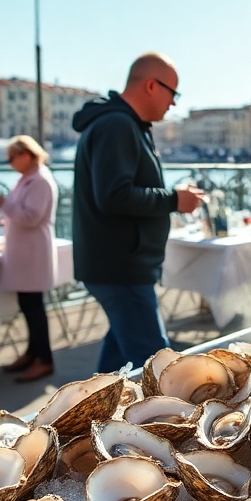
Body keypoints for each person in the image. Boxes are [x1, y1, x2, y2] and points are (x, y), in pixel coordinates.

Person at [72, 53, 206, 373]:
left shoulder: (124, 123)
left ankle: (93, 405)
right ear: (151, 85)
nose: (174, 102)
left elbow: (120, 190)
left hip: (120, 265)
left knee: (119, 365)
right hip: (121, 268)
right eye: (173, 92)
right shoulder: (117, 124)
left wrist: (173, 197)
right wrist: (174, 200)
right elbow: (114, 196)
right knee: (157, 367)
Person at [0, 135, 58, 383]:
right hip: (26, 252)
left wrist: (3, 204)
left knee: (34, 307)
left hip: (32, 253)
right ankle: (33, 353)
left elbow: (31, 217)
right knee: (29, 306)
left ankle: (44, 359)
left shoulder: (39, 180)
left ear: (26, 155)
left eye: (12, 158)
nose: (10, 163)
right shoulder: (28, 178)